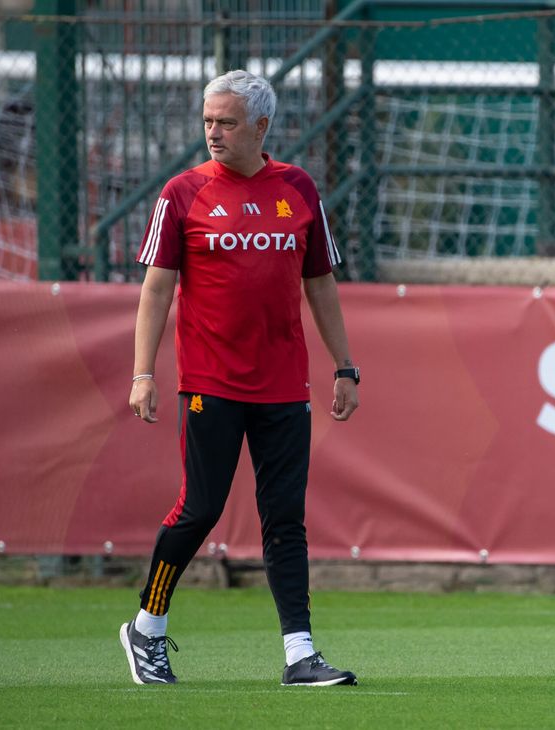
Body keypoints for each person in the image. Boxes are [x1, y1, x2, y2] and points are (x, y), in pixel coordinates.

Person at [119, 70, 360, 687]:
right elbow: (156, 289)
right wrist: (143, 373)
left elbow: (321, 285)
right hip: (210, 384)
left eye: (226, 122)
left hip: (284, 387)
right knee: (199, 510)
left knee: (285, 519)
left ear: (261, 125)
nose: (213, 132)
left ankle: (299, 655)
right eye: (208, 121)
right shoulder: (182, 193)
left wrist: (344, 365)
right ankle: (146, 627)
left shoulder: (298, 189)